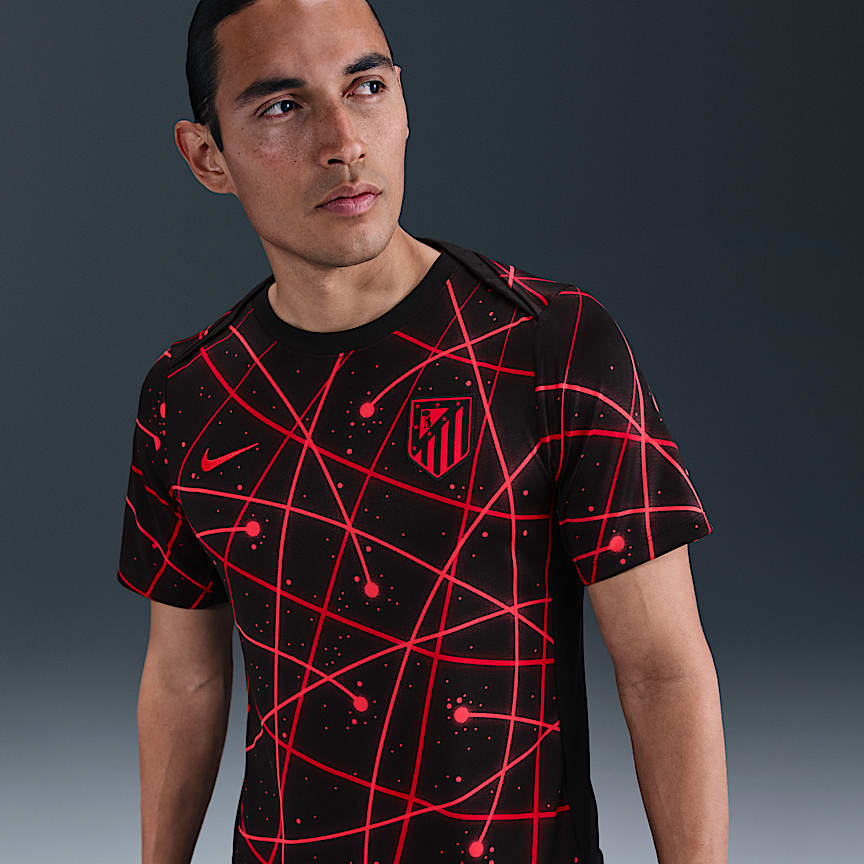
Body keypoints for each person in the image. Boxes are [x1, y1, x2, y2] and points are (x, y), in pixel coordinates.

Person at [115, 1, 729, 862]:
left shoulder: (550, 344)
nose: (343, 142)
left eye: (365, 87)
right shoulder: (188, 396)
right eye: (283, 106)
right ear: (207, 156)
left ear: (403, 103)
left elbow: (664, 671)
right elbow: (185, 679)